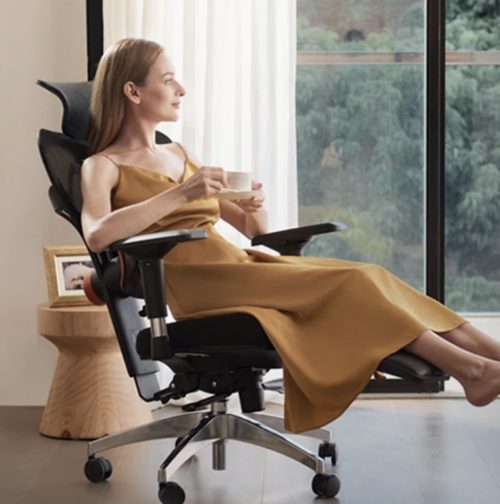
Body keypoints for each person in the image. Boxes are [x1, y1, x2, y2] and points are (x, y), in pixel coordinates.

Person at [81, 38, 500, 433]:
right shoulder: (102, 166)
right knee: (356, 282)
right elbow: (97, 234)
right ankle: (473, 370)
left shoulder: (180, 153)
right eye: (169, 79)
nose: (181, 89)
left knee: (371, 275)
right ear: (133, 92)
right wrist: (182, 193)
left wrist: (252, 208)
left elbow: (253, 231)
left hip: (239, 266)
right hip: (199, 286)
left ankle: (490, 358)